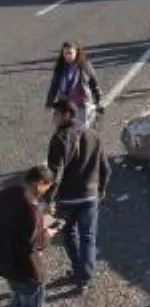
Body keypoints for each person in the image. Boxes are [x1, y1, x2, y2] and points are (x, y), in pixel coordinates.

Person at [47, 100, 110, 295]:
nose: (53, 118)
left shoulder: (59, 138)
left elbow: (53, 174)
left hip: (67, 198)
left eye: (56, 114)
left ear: (67, 114)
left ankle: (78, 270)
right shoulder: (94, 135)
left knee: (69, 234)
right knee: (88, 237)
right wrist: (101, 191)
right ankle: (84, 277)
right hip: (90, 197)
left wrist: (48, 199)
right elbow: (105, 168)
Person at [0, 165, 59, 307]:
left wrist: (41, 211)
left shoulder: (8, 193)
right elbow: (35, 243)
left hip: (8, 265)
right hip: (28, 270)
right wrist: (48, 233)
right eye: (46, 187)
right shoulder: (31, 210)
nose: (46, 191)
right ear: (39, 183)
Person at [46, 41, 103, 128]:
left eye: (70, 53)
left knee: (81, 129)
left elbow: (93, 83)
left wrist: (98, 100)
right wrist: (49, 103)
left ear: (77, 53)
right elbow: (54, 85)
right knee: (65, 130)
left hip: (81, 104)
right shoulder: (60, 67)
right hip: (65, 105)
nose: (67, 56)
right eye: (65, 53)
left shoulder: (85, 66)